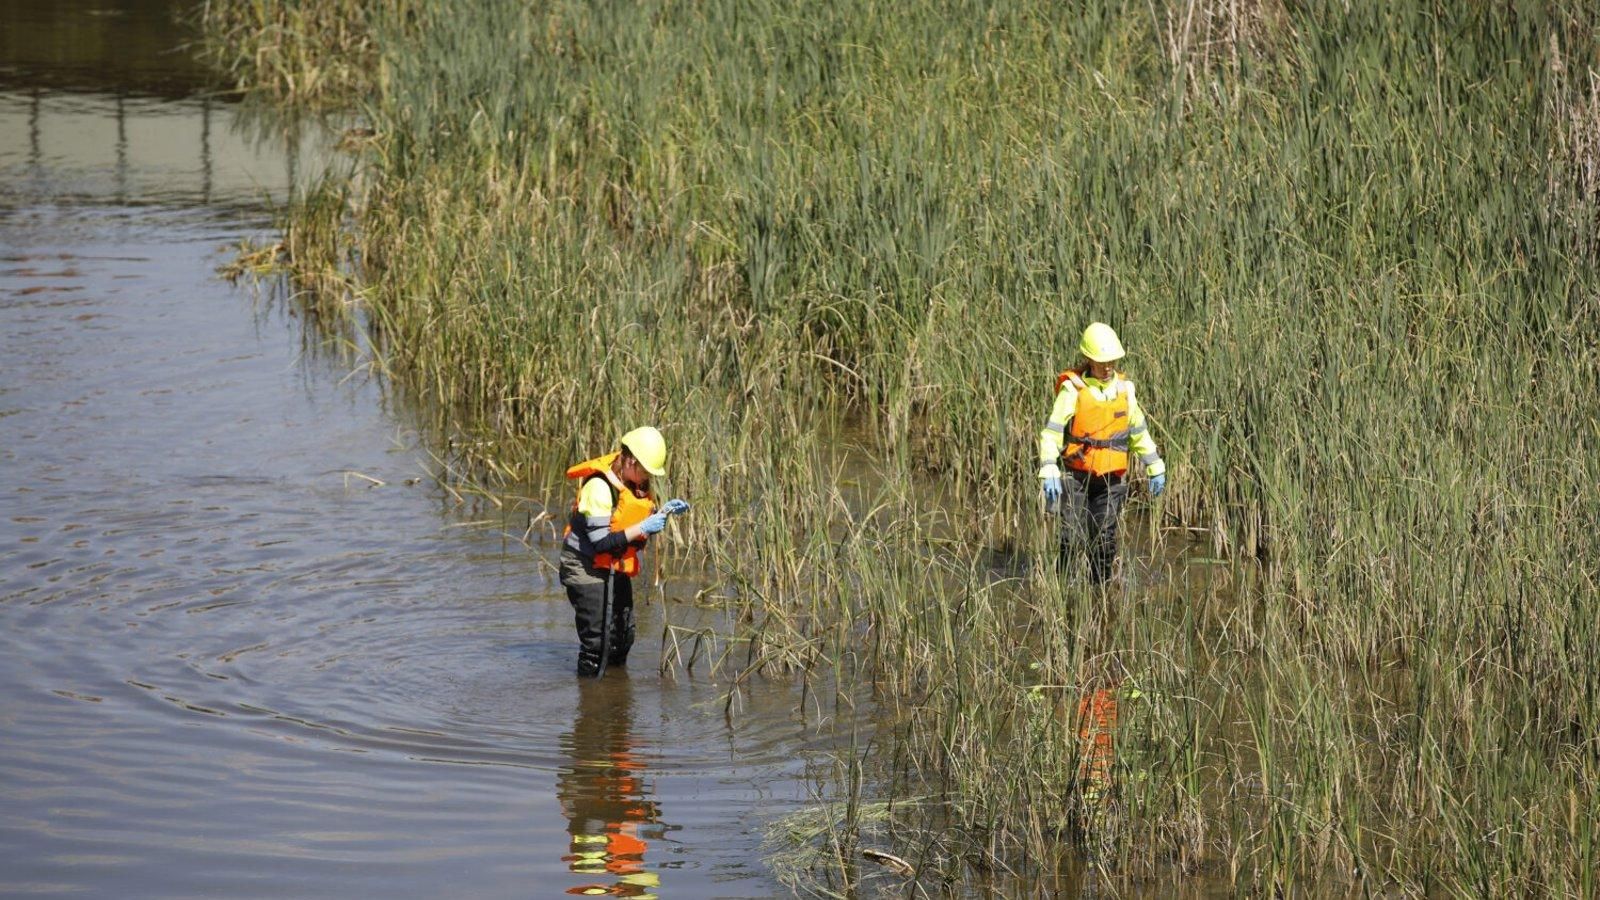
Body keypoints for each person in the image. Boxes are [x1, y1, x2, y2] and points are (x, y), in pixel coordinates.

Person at [1037, 322, 1166, 584]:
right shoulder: (1072, 390)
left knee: (1104, 540)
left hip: (1111, 481)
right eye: (1100, 362)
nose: (1107, 367)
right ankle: (1064, 592)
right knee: (1072, 538)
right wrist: (1049, 467)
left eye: (1111, 361)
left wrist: (1155, 466)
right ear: (1088, 359)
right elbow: (1051, 433)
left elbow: (1138, 431)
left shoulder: (1124, 390)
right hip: (1076, 478)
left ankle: (1100, 594)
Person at [560, 426, 688, 677]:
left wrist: (662, 515)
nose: (646, 479)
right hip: (585, 567)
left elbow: (628, 526)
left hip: (613, 565)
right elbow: (600, 543)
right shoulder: (599, 487)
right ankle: (591, 703)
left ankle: (618, 701)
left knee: (622, 636)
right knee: (597, 643)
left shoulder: (632, 483)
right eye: (645, 471)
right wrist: (643, 527)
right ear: (629, 460)